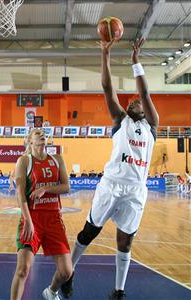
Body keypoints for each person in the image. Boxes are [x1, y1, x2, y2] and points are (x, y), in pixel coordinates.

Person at [61, 37, 159, 300]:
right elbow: (107, 87)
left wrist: (136, 63)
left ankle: (118, 291)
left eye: (136, 102)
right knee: (89, 232)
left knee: (125, 242)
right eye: (130, 102)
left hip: (136, 191)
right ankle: (69, 274)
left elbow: (145, 94)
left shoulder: (152, 125)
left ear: (144, 109)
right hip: (111, 185)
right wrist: (105, 54)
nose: (132, 102)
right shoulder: (120, 120)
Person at [10, 128, 72, 300]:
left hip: (53, 219)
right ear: (30, 141)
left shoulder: (57, 159)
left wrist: (45, 189)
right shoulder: (24, 161)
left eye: (43, 132)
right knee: (22, 270)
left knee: (67, 271)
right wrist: (28, 221)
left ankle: (51, 292)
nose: (42, 134)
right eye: (37, 133)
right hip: (32, 218)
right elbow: (20, 194)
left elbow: (66, 187)